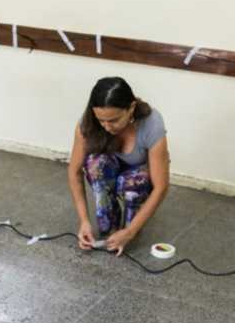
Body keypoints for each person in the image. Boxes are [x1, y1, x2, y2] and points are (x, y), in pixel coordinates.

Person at [67, 77, 170, 255]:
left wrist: (130, 232)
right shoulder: (87, 123)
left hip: (139, 177)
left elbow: (161, 187)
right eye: (101, 120)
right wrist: (84, 221)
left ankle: (131, 225)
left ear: (130, 108)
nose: (106, 127)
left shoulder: (152, 123)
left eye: (114, 120)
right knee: (96, 164)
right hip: (109, 169)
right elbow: (74, 172)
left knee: (131, 182)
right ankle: (111, 226)